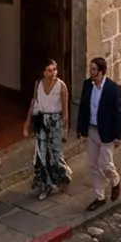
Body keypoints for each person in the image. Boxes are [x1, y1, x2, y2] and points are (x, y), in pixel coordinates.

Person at [75, 57, 121, 211]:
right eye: (91, 69)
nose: (92, 72)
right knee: (94, 164)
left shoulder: (112, 88)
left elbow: (119, 114)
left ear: (101, 71)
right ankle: (99, 196)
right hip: (91, 129)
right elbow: (83, 108)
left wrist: (118, 135)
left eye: (94, 69)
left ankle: (115, 180)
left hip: (106, 132)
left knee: (105, 164)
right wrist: (81, 131)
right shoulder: (87, 85)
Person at [22, 59, 72, 200]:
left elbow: (65, 111)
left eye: (55, 70)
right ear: (43, 72)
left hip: (55, 122)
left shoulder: (61, 87)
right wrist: (27, 123)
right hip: (41, 121)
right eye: (49, 70)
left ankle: (63, 176)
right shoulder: (38, 84)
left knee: (55, 155)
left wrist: (63, 130)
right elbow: (34, 102)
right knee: (41, 154)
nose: (53, 73)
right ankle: (46, 185)